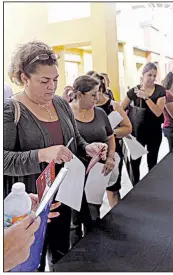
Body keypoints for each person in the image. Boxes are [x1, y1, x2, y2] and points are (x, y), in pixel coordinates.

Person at [4, 41, 108, 270]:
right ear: (24, 78)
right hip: (30, 204)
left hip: (63, 195)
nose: (51, 87)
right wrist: (42, 154)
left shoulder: (60, 104)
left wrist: (87, 148)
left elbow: (74, 140)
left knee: (61, 251)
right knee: (31, 261)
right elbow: (3, 160)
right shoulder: (11, 110)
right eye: (44, 81)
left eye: (55, 80)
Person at [70, 75, 115, 221]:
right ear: (79, 94)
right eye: (93, 94)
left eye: (98, 94)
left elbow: (110, 137)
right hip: (75, 173)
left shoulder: (100, 113)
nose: (97, 98)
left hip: (98, 172)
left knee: (93, 214)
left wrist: (110, 157)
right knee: (74, 218)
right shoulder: (67, 114)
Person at [90, 71, 132, 207]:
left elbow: (127, 128)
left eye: (97, 93)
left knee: (112, 190)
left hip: (112, 152)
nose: (94, 98)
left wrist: (110, 133)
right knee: (93, 195)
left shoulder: (113, 106)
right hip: (91, 155)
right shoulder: (84, 108)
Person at [121, 62, 166, 184]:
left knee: (152, 162)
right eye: (149, 75)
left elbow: (158, 112)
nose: (152, 78)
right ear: (143, 75)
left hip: (154, 132)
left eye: (154, 75)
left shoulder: (160, 90)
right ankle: (135, 188)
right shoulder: (134, 91)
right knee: (135, 163)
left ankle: (151, 187)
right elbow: (120, 109)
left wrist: (146, 97)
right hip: (137, 133)